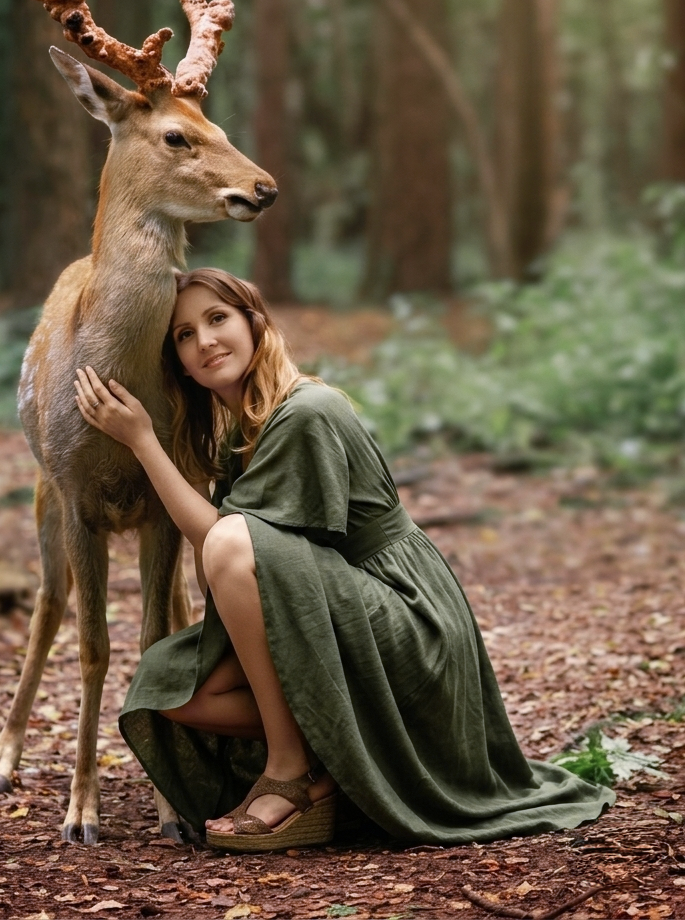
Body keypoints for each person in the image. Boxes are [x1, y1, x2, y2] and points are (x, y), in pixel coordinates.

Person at [73, 267, 613, 853]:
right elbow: (240, 566)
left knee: (230, 543)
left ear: (256, 325)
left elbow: (223, 544)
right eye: (183, 334)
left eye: (217, 318)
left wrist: (142, 441)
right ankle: (337, 755)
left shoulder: (308, 410)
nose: (204, 341)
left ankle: (291, 770)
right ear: (176, 360)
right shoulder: (241, 434)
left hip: (405, 613)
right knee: (173, 692)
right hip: (335, 599)